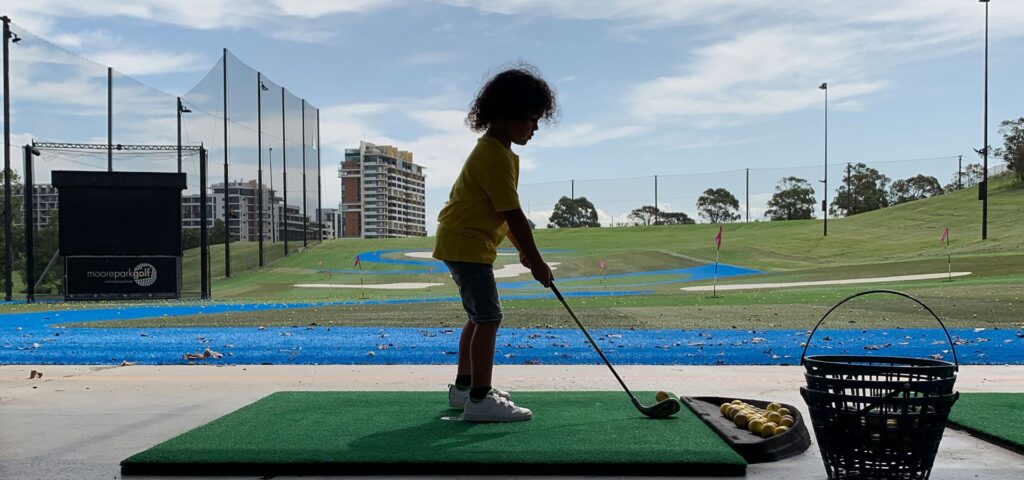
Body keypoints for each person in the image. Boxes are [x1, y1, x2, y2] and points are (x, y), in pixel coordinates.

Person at [432, 65, 557, 422]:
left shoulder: (497, 152)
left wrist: (522, 250)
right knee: (489, 317)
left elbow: (505, 214)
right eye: (531, 119)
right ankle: (480, 399)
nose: (535, 128)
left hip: (465, 242)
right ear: (507, 116)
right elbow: (514, 214)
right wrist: (536, 261)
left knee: (478, 316)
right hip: (466, 243)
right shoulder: (493, 155)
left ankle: (464, 388)